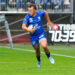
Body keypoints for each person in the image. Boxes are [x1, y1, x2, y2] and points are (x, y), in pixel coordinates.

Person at [22, 4, 55, 68]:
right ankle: (39, 61)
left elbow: (45, 12)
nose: (29, 11)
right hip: (33, 37)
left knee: (44, 46)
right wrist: (29, 29)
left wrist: (48, 21)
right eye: (29, 10)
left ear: (35, 10)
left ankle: (49, 57)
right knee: (37, 50)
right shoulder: (27, 17)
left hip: (41, 34)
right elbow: (23, 27)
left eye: (31, 10)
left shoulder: (39, 14)